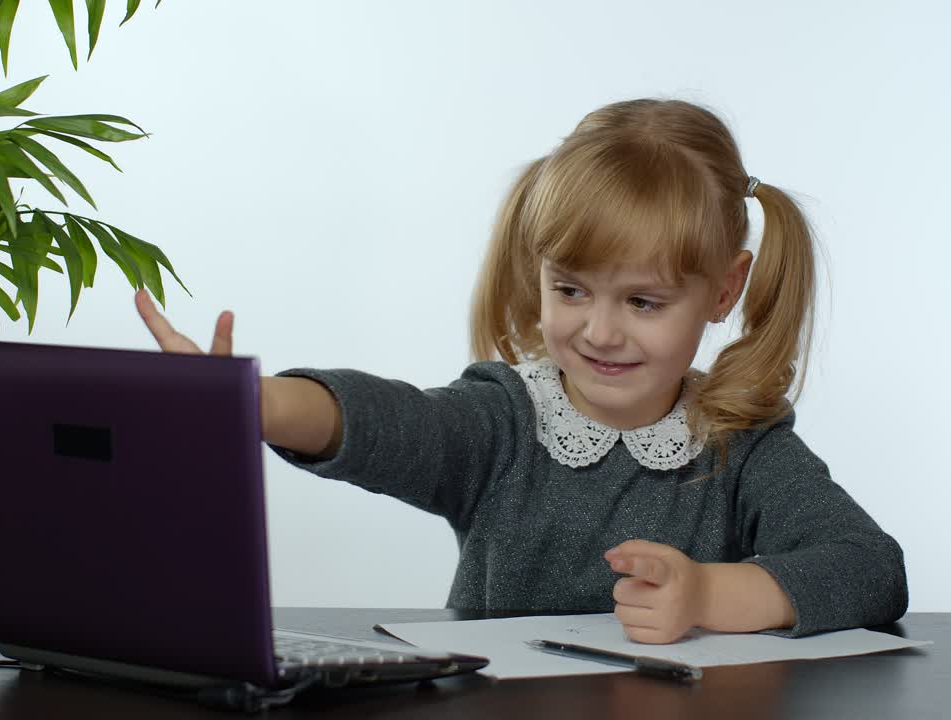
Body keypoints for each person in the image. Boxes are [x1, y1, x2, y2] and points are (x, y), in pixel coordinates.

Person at [135, 98, 908, 644]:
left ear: (724, 291)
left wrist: (710, 593)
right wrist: (253, 402)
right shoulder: (502, 420)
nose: (599, 331)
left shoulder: (745, 447)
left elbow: (871, 569)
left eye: (643, 301)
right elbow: (389, 423)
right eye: (569, 289)